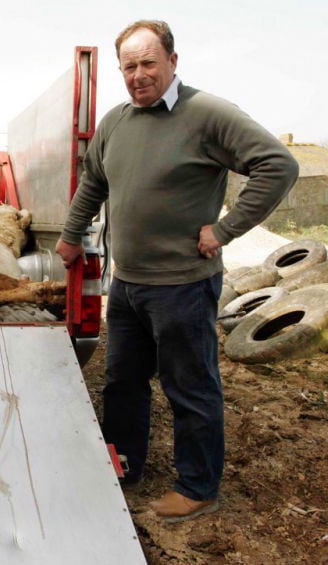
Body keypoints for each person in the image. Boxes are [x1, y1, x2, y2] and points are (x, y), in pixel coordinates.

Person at [56, 20, 298, 523]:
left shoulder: (206, 114)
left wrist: (226, 228)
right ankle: (122, 464)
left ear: (172, 61)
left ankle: (198, 486)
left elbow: (278, 164)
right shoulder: (116, 122)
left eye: (148, 63)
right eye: (129, 66)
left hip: (184, 285)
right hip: (128, 286)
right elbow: (93, 181)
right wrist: (71, 234)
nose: (138, 75)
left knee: (189, 387)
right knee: (122, 381)